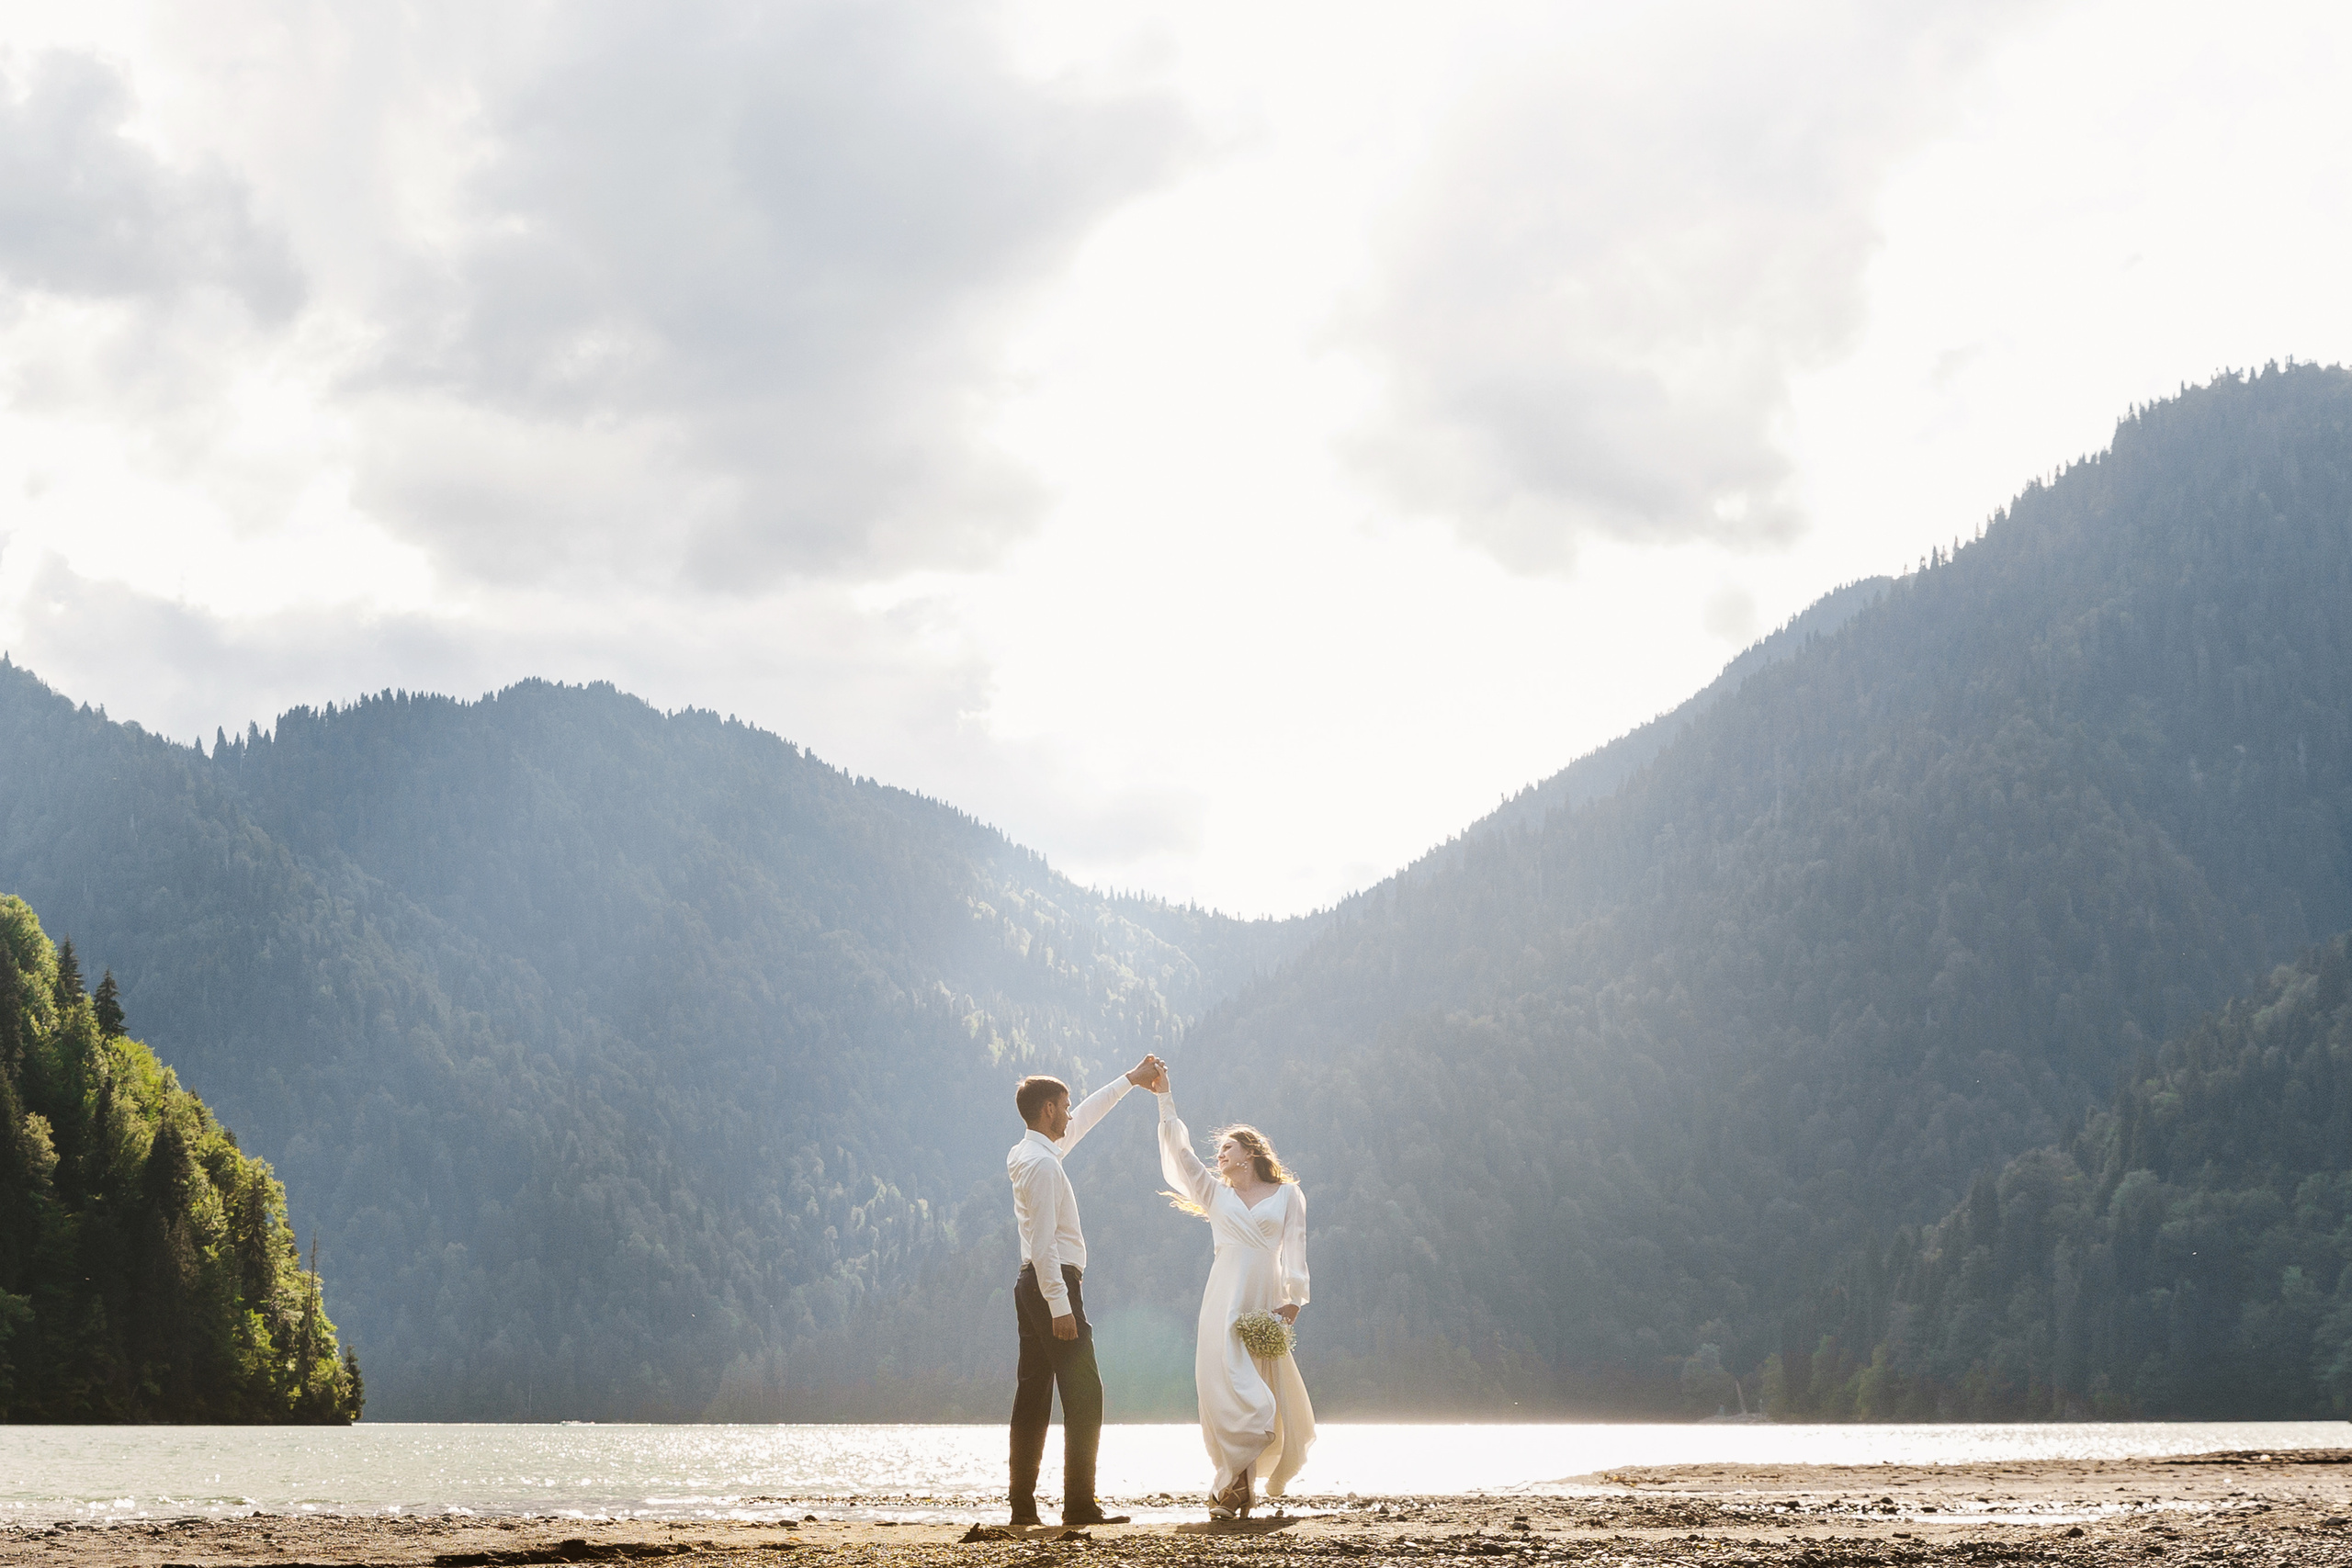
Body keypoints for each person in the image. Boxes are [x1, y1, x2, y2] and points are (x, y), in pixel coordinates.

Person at [1148, 1062, 1315, 1519]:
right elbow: (1180, 1155)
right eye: (1218, 1149)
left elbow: (1296, 1249)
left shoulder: (1287, 1195)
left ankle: (1236, 1488)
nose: (1218, 1154)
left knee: (1258, 1385)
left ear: (1250, 1152)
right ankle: (1236, 1484)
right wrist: (1165, 1098)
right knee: (1224, 1387)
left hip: (1264, 1300)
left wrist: (1293, 1301)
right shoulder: (1214, 1194)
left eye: (1227, 1147)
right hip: (1222, 1300)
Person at [1006, 1054, 1165, 1529]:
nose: (1072, 1112)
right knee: (1085, 1394)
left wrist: (1131, 1081)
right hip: (1051, 1285)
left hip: (1033, 1285)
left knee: (1033, 1394)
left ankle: (1023, 1508)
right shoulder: (1043, 1167)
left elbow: (1088, 1118)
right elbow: (1043, 1244)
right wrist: (1060, 1304)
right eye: (1066, 1105)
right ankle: (1078, 1504)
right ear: (1049, 1110)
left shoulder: (1031, 1153)